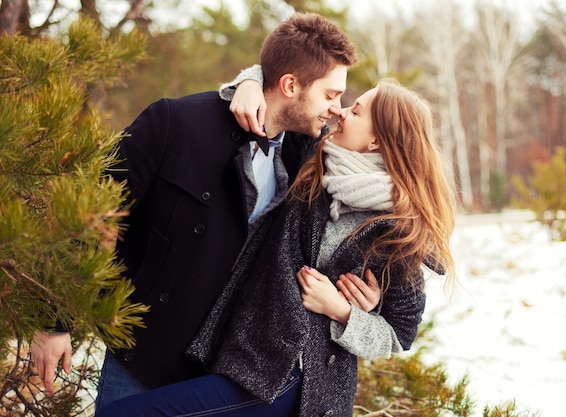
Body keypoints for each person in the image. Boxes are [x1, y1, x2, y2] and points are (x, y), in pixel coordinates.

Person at [28, 12, 364, 409]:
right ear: (290, 84)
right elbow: (84, 214)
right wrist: (53, 324)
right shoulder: (176, 124)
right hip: (142, 356)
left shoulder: (303, 156)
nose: (338, 109)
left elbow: (375, 187)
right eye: (330, 95)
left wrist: (366, 296)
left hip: (222, 372)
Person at [96, 78, 457, 417]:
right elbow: (288, 86)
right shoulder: (315, 166)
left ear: (377, 141)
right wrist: (251, 82)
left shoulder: (400, 233)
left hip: (292, 379)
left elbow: (399, 335)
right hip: (247, 356)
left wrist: (344, 313)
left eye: (357, 111)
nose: (341, 112)